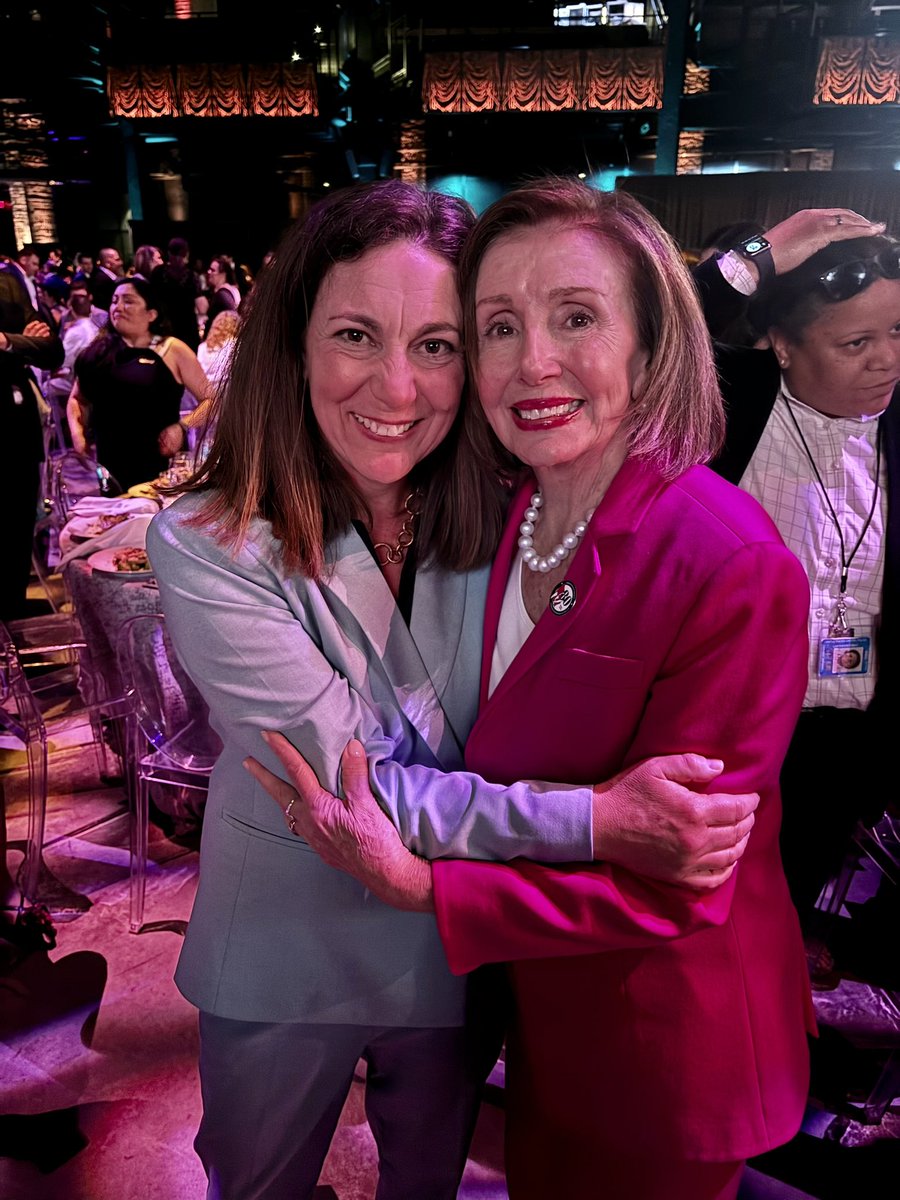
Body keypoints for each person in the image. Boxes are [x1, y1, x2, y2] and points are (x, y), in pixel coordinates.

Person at [147, 180, 759, 1200]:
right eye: (354, 335)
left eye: (436, 345)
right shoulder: (210, 540)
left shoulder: (516, 509)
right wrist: (598, 820)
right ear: (294, 344)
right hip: (285, 942)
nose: (397, 389)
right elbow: (357, 789)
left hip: (456, 941)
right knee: (257, 1185)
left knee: (427, 1180)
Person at [693, 210, 899, 941]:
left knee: (783, 928)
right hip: (728, 737)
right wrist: (761, 254)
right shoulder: (732, 412)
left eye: (898, 333)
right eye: (856, 343)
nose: (886, 361)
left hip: (844, 747)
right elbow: (657, 337)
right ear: (781, 344)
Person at [67, 277, 210, 489]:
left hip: (162, 469)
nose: (118, 307)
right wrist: (78, 436)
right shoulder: (97, 352)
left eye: (129, 301)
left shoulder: (172, 349)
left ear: (151, 314)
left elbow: (211, 401)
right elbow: (77, 399)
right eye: (114, 300)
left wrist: (182, 427)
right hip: (110, 469)